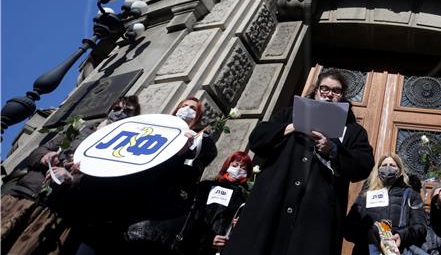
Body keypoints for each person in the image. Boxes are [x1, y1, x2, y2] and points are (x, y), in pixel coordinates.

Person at [225, 69, 375, 255]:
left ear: (342, 96)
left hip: (316, 217)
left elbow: (364, 164)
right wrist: (291, 127)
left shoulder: (353, 130)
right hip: (273, 204)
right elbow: (257, 140)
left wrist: (333, 149)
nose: (329, 95)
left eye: (336, 91)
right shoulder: (289, 114)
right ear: (316, 91)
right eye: (325, 89)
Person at [71, 95, 217, 254]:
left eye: (192, 109)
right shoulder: (150, 128)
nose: (186, 110)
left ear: (198, 117)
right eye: (183, 105)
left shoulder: (202, 142)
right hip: (112, 205)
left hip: (145, 217)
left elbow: (187, 178)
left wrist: (182, 153)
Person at [0, 95, 141, 254]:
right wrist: (44, 157)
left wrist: (72, 179)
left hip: (53, 214)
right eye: (117, 108)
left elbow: (105, 193)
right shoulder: (79, 129)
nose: (120, 113)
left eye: (127, 111)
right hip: (23, 196)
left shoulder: (123, 152)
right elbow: (37, 152)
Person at [344, 153, 427, 254]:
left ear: (400, 170)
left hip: (397, 251)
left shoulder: (411, 194)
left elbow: (420, 228)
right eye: (384, 165)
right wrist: (369, 233)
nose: (388, 168)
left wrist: (401, 235)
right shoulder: (366, 194)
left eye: (392, 165)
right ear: (378, 169)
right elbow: (349, 228)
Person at [183, 151, 252, 255]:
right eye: (235, 165)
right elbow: (193, 215)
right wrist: (208, 238)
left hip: (219, 250)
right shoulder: (206, 187)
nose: (238, 169)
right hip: (193, 244)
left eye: (243, 168)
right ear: (227, 165)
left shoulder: (243, 200)